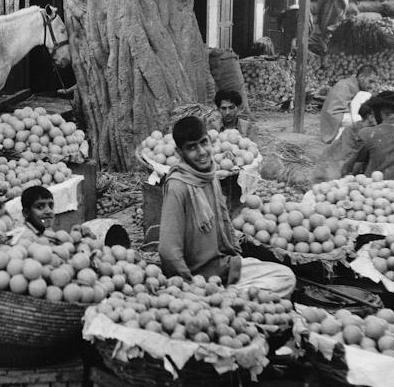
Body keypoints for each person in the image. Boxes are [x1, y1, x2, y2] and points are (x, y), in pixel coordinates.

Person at [157, 116, 296, 297]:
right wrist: (190, 285)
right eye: (192, 147)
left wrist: (235, 253)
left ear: (210, 140)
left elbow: (224, 220)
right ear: (179, 152)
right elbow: (168, 251)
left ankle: (227, 296)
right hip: (200, 276)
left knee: (285, 277)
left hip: (223, 265)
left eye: (203, 143)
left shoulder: (211, 174)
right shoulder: (178, 186)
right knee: (269, 290)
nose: (201, 152)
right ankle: (220, 298)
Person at [319, 64, 377, 144]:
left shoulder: (359, 87)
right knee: (367, 121)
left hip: (346, 118)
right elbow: (335, 115)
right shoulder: (343, 86)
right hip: (335, 122)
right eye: (370, 81)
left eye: (374, 82)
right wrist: (361, 119)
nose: (372, 86)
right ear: (361, 77)